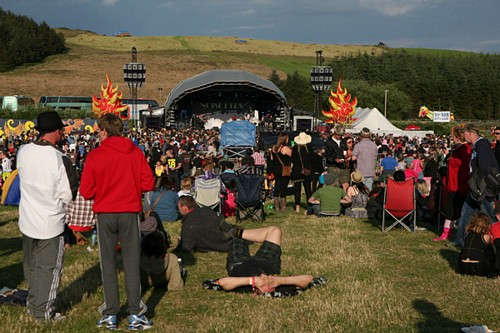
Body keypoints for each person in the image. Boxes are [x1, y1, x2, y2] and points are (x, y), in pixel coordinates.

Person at [79, 113, 155, 330]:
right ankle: (134, 314)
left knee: (108, 264)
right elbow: (148, 183)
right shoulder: (135, 152)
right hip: (129, 212)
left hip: (105, 214)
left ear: (104, 130)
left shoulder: (95, 156)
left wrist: (103, 190)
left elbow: (86, 191)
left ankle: (111, 313)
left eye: (98, 131)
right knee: (132, 263)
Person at [17, 111, 78, 321]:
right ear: (57, 131)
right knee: (49, 269)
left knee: (32, 267)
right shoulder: (59, 158)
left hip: (27, 219)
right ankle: (43, 312)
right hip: (50, 222)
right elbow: (69, 195)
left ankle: (33, 305)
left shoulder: (23, 151)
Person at [203, 225, 327, 296]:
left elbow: (220, 282)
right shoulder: (280, 287)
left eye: (265, 286)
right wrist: (280, 281)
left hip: (239, 263)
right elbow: (309, 279)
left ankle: (237, 234)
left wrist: (253, 281)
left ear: (259, 292)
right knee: (275, 231)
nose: (265, 280)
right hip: (268, 262)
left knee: (237, 242)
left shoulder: (244, 286)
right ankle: (240, 232)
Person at [455, 123, 498, 247]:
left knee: (488, 215)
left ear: (470, 133)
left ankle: (495, 240)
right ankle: (461, 240)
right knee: (466, 212)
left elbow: (484, 167)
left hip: (483, 187)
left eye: (464, 134)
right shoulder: (476, 146)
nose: (464, 136)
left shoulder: (482, 145)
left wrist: (478, 182)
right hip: (477, 187)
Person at [434, 126, 471, 241]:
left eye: (453, 136)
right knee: (451, 208)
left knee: (454, 209)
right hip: (452, 184)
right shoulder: (457, 150)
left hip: (459, 185)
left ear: (456, 137)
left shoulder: (465, 150)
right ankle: (448, 232)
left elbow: (465, 169)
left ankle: (451, 233)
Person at [176, 196, 242, 253]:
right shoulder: (207, 210)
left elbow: (187, 248)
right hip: (230, 239)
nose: (178, 210)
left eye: (179, 207)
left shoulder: (188, 224)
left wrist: (180, 244)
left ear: (185, 208)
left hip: (219, 245)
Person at [457, 212, 496, 277]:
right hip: (479, 267)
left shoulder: (467, 234)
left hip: (462, 267)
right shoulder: (485, 236)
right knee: (489, 249)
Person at [290, 132, 314, 214]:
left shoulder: (295, 148)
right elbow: (312, 159)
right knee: (308, 190)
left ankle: (297, 208)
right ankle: (309, 206)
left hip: (297, 171)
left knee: (297, 190)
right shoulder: (309, 148)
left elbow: (292, 159)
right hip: (307, 171)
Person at [268, 132, 292, 212]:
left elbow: (270, 161)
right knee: (283, 188)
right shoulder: (285, 149)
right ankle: (283, 206)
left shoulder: (274, 148)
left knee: (277, 187)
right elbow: (293, 157)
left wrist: (269, 172)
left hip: (276, 171)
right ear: (285, 139)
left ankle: (276, 206)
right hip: (284, 171)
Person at [324, 124, 350, 191]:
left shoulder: (343, 142)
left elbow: (345, 151)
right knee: (334, 185)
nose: (340, 136)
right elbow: (327, 155)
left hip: (343, 166)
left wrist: (346, 156)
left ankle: (345, 200)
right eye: (339, 135)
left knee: (346, 185)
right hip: (333, 167)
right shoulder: (328, 142)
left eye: (341, 135)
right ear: (335, 133)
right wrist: (335, 159)